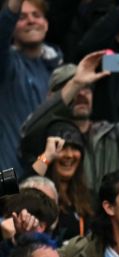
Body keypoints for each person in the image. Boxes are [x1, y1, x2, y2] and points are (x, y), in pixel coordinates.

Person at [19, 48, 119, 192]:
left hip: (104, 217)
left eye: (87, 87)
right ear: (52, 98)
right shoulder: (41, 137)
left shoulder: (110, 135)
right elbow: (29, 131)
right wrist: (76, 82)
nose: (82, 93)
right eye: (74, 88)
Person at [0, 0, 61, 178]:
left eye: (37, 15)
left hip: (50, 170)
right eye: (22, 17)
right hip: (8, 168)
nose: (31, 21)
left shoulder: (58, 67)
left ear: (47, 24)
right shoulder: (5, 63)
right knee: (8, 202)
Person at [31, 120, 94, 243]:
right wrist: (46, 157)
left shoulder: (90, 198)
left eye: (75, 148)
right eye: (62, 148)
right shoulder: (28, 172)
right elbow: (5, 184)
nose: (69, 155)